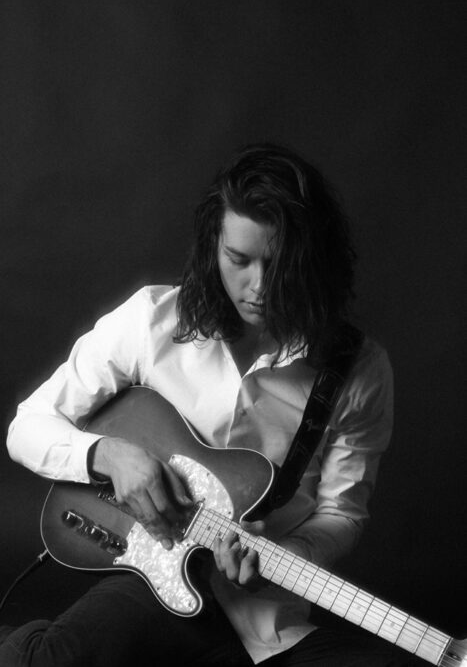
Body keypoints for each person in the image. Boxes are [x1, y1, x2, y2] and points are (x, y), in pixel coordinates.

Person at [2, 143, 413, 666]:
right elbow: (27, 427)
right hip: (153, 582)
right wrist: (110, 455)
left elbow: (342, 513)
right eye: (239, 260)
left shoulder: (359, 370)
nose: (259, 286)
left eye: (280, 264)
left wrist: (286, 557)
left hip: (265, 615)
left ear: (314, 261)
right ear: (213, 246)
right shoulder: (152, 321)